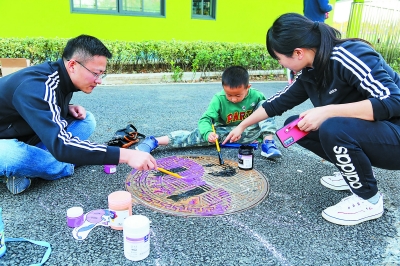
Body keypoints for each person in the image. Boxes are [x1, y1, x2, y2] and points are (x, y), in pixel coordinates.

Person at [223, 13, 400, 226]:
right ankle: (355, 171)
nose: (281, 64)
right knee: (297, 126)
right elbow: (277, 103)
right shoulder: (311, 70)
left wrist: (328, 111)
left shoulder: (349, 55)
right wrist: (242, 125)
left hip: (395, 134)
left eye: (279, 58)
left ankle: (368, 199)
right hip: (376, 132)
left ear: (297, 52)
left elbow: (393, 101)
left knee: (332, 127)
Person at [0, 34, 157, 195]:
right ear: (73, 65)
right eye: (96, 73)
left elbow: (40, 103)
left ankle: (34, 166)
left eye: (102, 74)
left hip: (29, 133)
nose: (99, 80)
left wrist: (66, 107)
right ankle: (62, 165)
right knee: (10, 155)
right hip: (5, 142)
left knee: (87, 120)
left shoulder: (58, 76)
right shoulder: (35, 86)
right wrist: (126, 155)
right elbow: (62, 145)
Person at [135, 66, 282, 159]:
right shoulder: (218, 99)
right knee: (194, 135)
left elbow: (266, 116)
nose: (233, 99)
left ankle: (268, 144)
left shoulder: (256, 96)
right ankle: (154, 141)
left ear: (248, 87)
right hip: (226, 134)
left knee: (266, 106)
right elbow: (205, 120)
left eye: (238, 95)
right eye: (229, 95)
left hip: (251, 133)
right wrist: (208, 134)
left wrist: (262, 136)